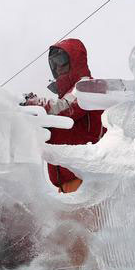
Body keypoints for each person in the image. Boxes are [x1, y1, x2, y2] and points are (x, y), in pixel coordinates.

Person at [22, 38, 105, 193]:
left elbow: (66, 109)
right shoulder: (68, 94)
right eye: (53, 64)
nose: (58, 67)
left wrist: (33, 104)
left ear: (75, 60)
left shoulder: (87, 86)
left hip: (85, 179)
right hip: (65, 184)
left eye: (61, 60)